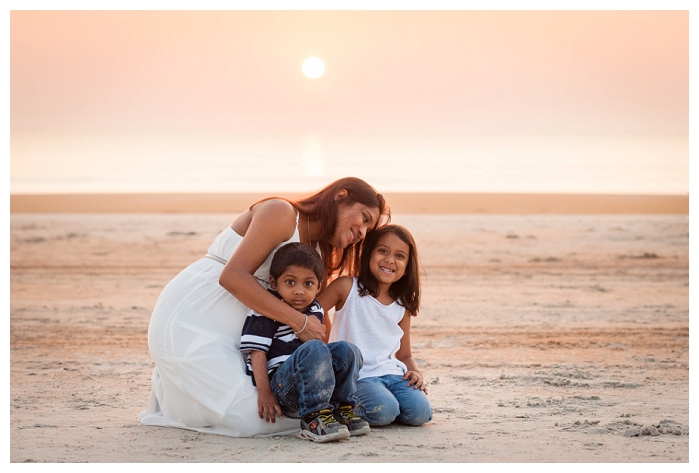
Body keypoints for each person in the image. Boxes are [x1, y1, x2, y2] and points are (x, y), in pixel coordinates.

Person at [138, 177, 389, 437]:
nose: (362, 233)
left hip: (243, 337)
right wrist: (298, 322)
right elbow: (232, 277)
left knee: (281, 412)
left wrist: (332, 368)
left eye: (368, 231)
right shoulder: (281, 212)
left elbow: (316, 315)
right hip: (193, 317)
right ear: (340, 197)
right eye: (365, 218)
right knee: (250, 419)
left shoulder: (316, 252)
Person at [240, 242, 370, 442]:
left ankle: (341, 410)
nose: (299, 291)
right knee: (316, 347)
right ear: (274, 283)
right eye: (290, 282)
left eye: (307, 284)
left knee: (347, 350)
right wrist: (264, 392)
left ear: (319, 286)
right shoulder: (267, 309)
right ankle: (313, 418)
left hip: (314, 382)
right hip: (285, 387)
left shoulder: (316, 309)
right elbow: (257, 352)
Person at [317, 224, 433, 427]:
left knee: (420, 413)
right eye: (382, 251)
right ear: (368, 254)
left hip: (393, 373)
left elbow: (404, 355)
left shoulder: (401, 304)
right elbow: (311, 313)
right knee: (385, 411)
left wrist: (417, 373)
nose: (389, 260)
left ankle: (386, 403)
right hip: (359, 377)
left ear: (407, 268)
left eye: (400, 256)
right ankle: (342, 403)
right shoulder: (346, 287)